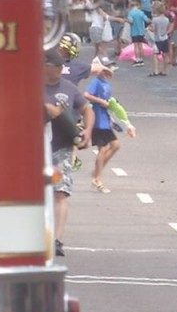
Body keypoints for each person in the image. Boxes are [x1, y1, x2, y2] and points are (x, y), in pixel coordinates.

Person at [43, 48, 89, 256]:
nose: (62, 69)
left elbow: (86, 109)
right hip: (34, 149)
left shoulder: (69, 88)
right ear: (46, 67)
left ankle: (57, 240)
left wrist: (87, 130)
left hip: (61, 147)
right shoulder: (30, 86)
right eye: (58, 66)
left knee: (60, 193)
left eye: (62, 65)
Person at [82, 61, 123, 194]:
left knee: (115, 145)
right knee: (103, 148)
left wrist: (111, 118)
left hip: (105, 118)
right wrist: (100, 102)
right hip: (97, 119)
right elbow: (86, 95)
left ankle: (97, 171)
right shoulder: (96, 82)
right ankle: (97, 178)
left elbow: (108, 103)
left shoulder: (107, 85)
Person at [149, 1, 170, 77]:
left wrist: (149, 28)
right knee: (165, 55)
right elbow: (167, 28)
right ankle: (164, 70)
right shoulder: (167, 19)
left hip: (157, 39)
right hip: (165, 38)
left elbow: (153, 29)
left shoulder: (155, 19)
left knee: (155, 55)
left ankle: (156, 71)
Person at [126, 0, 149, 67]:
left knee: (136, 46)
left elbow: (131, 21)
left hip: (134, 31)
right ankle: (141, 59)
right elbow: (147, 20)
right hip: (141, 32)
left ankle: (137, 59)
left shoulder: (131, 13)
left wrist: (127, 20)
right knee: (140, 46)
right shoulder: (141, 12)